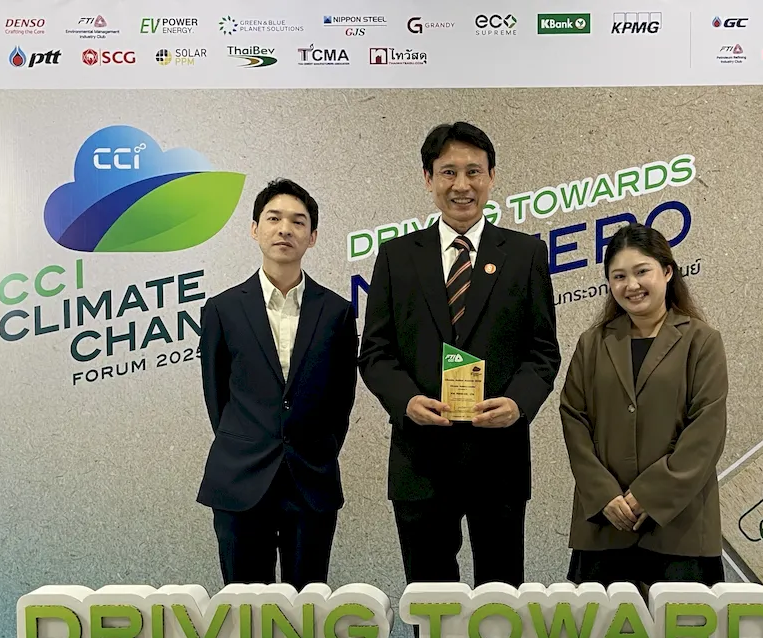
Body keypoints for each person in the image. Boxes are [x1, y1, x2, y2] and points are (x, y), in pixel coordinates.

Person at [359, 122, 561, 589]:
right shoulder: (396, 257)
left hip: (499, 457)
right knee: (431, 600)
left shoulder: (526, 254)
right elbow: (375, 352)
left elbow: (543, 350)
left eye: (474, 171)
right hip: (420, 458)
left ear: (492, 177)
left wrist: (518, 403)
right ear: (428, 179)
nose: (462, 185)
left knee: (501, 598)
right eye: (448, 172)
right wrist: (407, 401)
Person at [197, 178, 358, 589]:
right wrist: (249, 440)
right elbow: (217, 396)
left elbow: (341, 400)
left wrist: (315, 450)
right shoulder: (222, 310)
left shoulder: (337, 312)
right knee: (246, 612)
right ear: (255, 229)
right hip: (239, 480)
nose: (285, 229)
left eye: (298, 221)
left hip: (310, 481)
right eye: (273, 218)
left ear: (312, 236)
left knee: (307, 612)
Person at [559, 223, 728, 590]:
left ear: (667, 272)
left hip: (679, 528)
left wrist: (649, 495)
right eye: (619, 276)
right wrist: (604, 494)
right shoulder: (592, 343)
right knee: (600, 628)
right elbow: (574, 419)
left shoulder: (701, 341)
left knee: (679, 629)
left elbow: (706, 430)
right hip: (605, 524)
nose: (631, 285)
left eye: (641, 271)